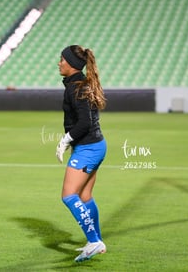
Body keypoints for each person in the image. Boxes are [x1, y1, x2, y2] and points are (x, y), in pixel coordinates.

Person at [56, 45, 107, 262]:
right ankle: (96, 242)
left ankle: (94, 241)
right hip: (93, 145)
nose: (58, 63)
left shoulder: (75, 88)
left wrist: (66, 139)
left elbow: (85, 122)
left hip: (88, 148)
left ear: (71, 65)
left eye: (61, 60)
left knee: (69, 195)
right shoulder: (79, 85)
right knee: (85, 196)